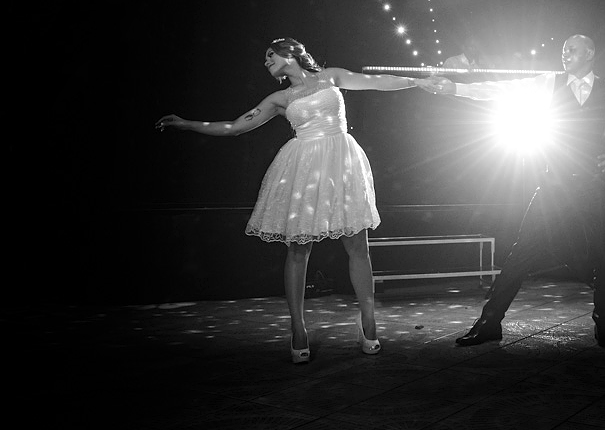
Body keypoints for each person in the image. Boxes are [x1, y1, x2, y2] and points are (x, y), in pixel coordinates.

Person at [155, 37, 426, 364]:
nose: (266, 62)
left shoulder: (331, 76)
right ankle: (298, 329)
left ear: (289, 53)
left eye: (270, 55)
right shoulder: (279, 98)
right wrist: (188, 124)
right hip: (304, 167)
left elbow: (374, 82)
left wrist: (416, 81)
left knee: (357, 245)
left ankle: (368, 321)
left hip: (342, 160)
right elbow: (236, 126)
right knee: (298, 249)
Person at [418, 34, 605, 347]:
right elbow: (501, 90)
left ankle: (604, 323)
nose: (565, 54)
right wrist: (456, 88)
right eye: (563, 49)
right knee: (520, 254)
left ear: (590, 53)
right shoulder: (547, 83)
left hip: (593, 185)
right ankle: (489, 323)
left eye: (571, 48)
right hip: (553, 182)